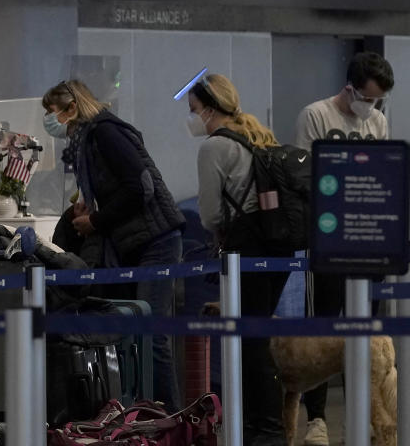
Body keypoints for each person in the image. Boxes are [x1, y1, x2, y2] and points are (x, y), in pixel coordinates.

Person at [42, 79, 184, 412]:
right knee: (136, 335)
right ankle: (144, 415)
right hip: (135, 243)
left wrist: (96, 220)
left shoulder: (104, 132)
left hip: (156, 241)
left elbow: (140, 188)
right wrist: (89, 209)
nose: (49, 121)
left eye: (51, 112)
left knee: (151, 336)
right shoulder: (87, 140)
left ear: (72, 107)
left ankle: (172, 420)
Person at [295, 51, 394, 446]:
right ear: (350, 88)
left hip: (367, 239)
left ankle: (365, 415)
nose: (370, 107)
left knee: (366, 334)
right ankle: (317, 418)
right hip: (329, 237)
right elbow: (302, 175)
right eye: (366, 98)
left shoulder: (378, 121)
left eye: (377, 101)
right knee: (324, 328)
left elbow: (384, 173)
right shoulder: (316, 116)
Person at [187, 73, 288, 446]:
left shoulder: (214, 147)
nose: (192, 118)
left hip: (246, 252)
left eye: (194, 110)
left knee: (249, 342)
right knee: (255, 337)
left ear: (210, 109)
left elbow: (211, 215)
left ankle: (263, 430)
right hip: (275, 248)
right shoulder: (256, 134)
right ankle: (264, 427)